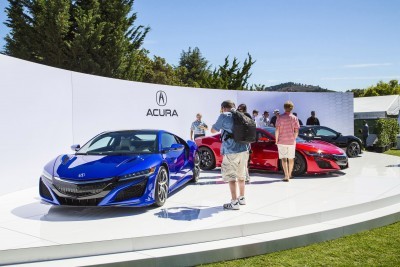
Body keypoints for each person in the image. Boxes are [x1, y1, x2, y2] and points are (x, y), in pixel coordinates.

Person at [211, 100, 249, 210]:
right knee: (241, 176)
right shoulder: (241, 115)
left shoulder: (224, 115)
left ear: (223, 107)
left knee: (231, 177)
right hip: (244, 149)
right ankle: (242, 198)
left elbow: (213, 130)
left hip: (231, 150)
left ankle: (234, 202)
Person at [275, 101, 300, 182]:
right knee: (291, 159)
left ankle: (286, 176)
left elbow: (277, 130)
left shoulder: (280, 117)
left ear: (284, 108)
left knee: (283, 159)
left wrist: (276, 140)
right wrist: (294, 138)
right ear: (292, 108)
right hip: (291, 141)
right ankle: (290, 174)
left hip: (281, 141)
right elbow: (296, 131)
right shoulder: (294, 118)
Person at [237, 104, 252, 183]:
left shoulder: (246, 116)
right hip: (238, 142)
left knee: (245, 161)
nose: (240, 110)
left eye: (241, 109)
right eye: (239, 109)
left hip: (245, 142)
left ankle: (246, 177)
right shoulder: (237, 116)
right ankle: (243, 177)